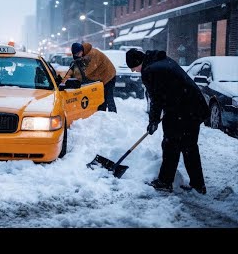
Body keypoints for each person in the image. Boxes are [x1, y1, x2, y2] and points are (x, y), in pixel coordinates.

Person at [125, 48, 210, 194]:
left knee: (171, 145)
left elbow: (156, 99)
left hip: (182, 111)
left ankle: (165, 182)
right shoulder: (162, 61)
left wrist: (153, 121)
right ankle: (198, 184)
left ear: (138, 62)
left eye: (134, 68)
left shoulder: (150, 70)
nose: (135, 72)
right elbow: (169, 90)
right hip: (194, 108)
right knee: (189, 147)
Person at [66, 42, 117, 112]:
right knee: (102, 97)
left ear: (81, 51)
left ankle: (113, 114)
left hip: (109, 76)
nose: (78, 56)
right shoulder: (85, 53)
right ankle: (102, 113)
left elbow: (89, 70)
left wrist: (80, 77)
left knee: (108, 97)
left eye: (78, 54)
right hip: (102, 76)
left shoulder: (93, 54)